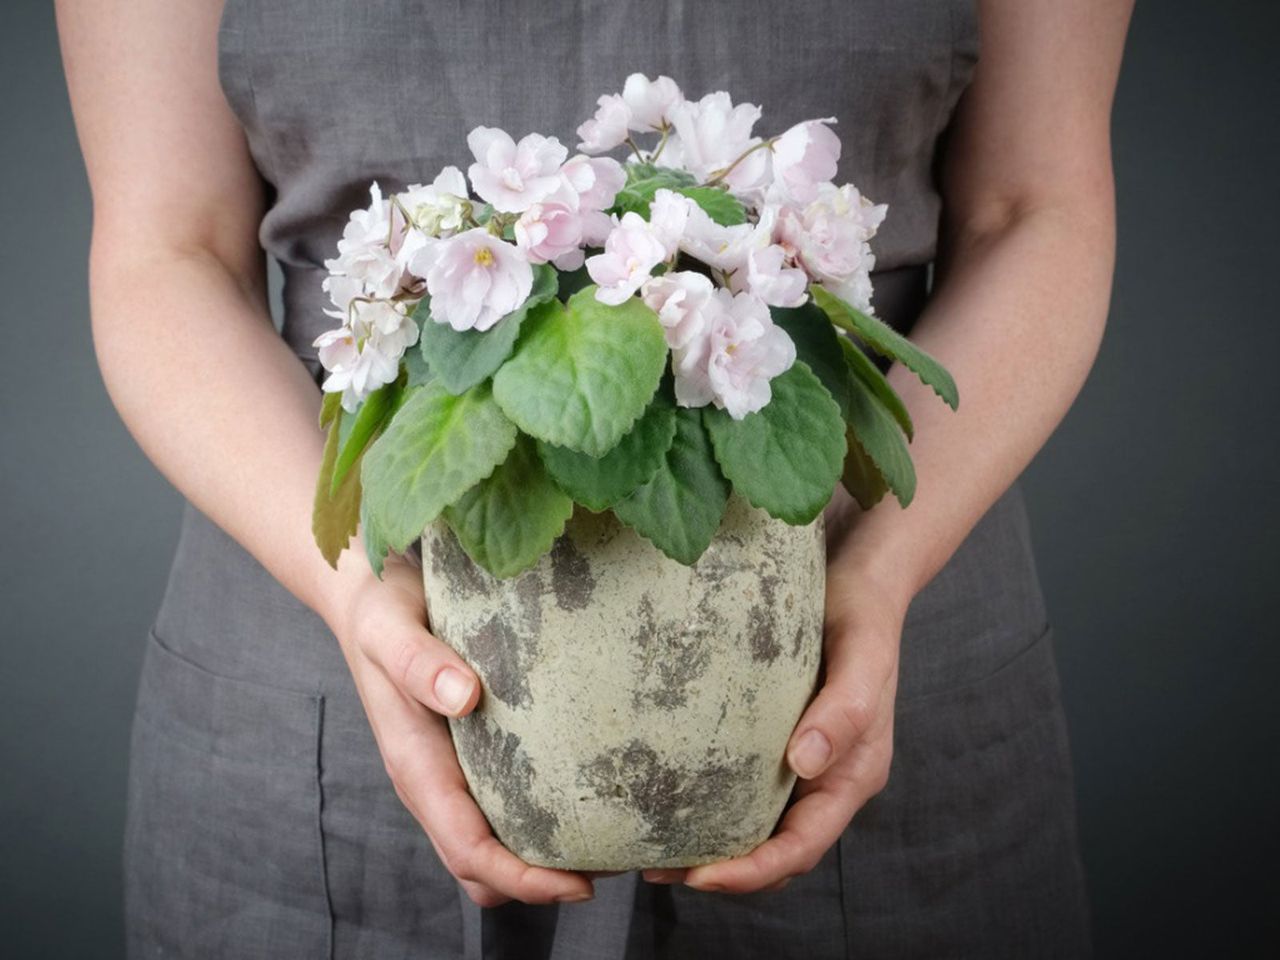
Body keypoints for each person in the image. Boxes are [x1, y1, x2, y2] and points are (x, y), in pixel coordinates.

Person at [56, 0, 1132, 956]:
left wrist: (874, 578)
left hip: (859, 634)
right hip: (329, 657)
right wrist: (354, 593)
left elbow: (1033, 207)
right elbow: (169, 247)